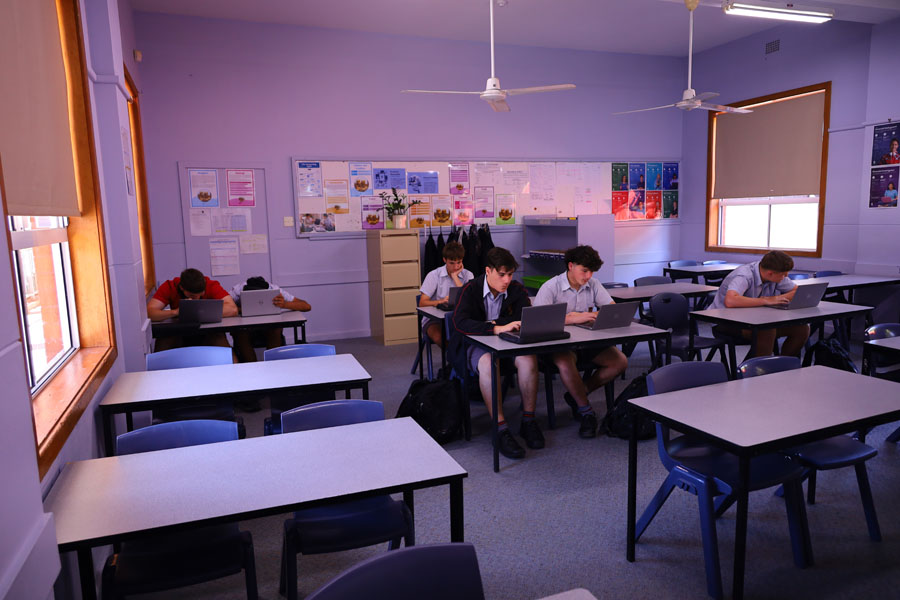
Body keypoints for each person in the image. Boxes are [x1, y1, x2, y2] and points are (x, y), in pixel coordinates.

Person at [448, 247, 541, 459]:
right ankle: (500, 429)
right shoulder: (469, 290)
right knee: (488, 362)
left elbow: (524, 317)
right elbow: (460, 323)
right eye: (501, 274)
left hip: (508, 344)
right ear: (488, 271)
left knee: (528, 359)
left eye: (510, 274)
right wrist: (495, 328)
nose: (507, 280)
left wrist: (495, 323)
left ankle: (528, 420)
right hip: (474, 345)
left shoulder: (516, 290)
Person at [534, 246, 628, 438]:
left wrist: (590, 315)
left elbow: (611, 310)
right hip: (559, 344)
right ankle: (586, 411)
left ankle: (577, 393)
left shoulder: (593, 284)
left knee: (620, 362)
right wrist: (572, 318)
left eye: (591, 271)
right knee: (565, 362)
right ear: (571, 266)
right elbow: (538, 321)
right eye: (584, 270)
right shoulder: (550, 287)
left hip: (586, 341)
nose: (588, 276)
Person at [709, 250, 809, 357]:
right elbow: (730, 300)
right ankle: (755, 367)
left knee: (801, 329)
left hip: (755, 320)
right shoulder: (744, 276)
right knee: (766, 330)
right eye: (783, 275)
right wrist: (766, 300)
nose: (785, 277)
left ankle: (783, 363)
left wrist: (778, 298)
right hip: (726, 322)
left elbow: (796, 291)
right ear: (770, 273)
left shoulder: (775, 274)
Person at [147, 267, 238, 352]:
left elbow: (233, 309)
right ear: (181, 288)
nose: (197, 298)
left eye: (200, 294)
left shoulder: (211, 285)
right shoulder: (170, 286)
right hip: (178, 332)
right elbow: (150, 312)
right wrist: (176, 312)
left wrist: (200, 311)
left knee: (221, 343)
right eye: (192, 296)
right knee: (164, 341)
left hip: (207, 332)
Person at [229, 276, 311, 363]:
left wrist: (285, 304)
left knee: (276, 328)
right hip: (246, 327)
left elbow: (306, 306)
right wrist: (240, 309)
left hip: (269, 326)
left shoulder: (274, 290)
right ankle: (252, 365)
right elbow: (222, 306)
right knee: (239, 332)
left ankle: (271, 364)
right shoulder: (237, 291)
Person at [418, 241, 474, 346]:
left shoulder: (468, 275)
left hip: (459, 317)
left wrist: (455, 277)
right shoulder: (433, 275)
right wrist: (440, 301)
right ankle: (452, 356)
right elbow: (422, 303)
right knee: (442, 338)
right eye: (452, 263)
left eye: (459, 262)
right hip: (434, 320)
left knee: (470, 336)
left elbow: (469, 300)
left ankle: (458, 355)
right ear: (444, 260)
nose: (456, 267)